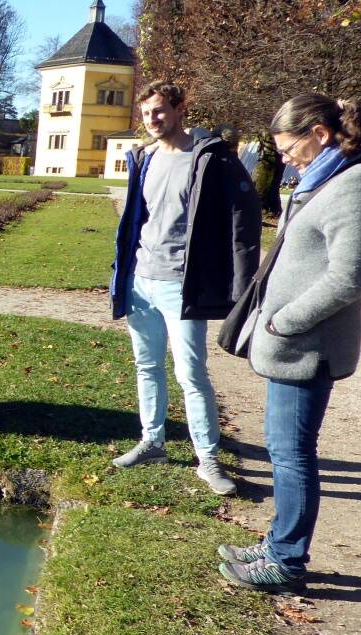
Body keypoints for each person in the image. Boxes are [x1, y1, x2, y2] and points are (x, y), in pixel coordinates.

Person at [217, 93, 361, 593]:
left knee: (293, 454)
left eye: (290, 148)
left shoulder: (355, 184)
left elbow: (347, 279)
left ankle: (287, 561)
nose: (286, 159)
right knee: (282, 449)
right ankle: (277, 542)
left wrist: (283, 323)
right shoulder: (325, 179)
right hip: (291, 345)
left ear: (320, 133)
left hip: (307, 345)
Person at [109, 81, 261, 495]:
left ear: (180, 109)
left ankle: (208, 458)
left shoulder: (209, 157)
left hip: (182, 284)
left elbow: (243, 218)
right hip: (141, 280)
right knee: (147, 366)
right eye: (145, 113)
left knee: (191, 372)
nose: (152, 119)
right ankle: (152, 441)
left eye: (159, 111)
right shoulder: (144, 156)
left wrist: (242, 282)